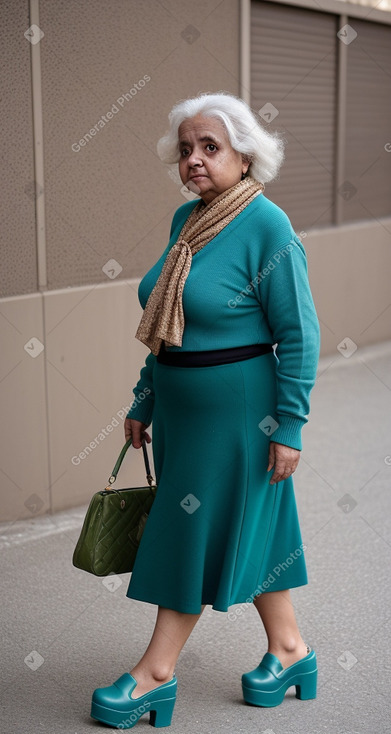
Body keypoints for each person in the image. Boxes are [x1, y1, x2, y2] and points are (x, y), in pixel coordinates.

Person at [91, 91, 321, 729]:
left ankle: (155, 676)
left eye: (210, 147)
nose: (194, 159)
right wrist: (145, 398)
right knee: (252, 528)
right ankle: (291, 651)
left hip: (242, 418)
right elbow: (167, 323)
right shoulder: (186, 221)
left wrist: (291, 426)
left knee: (188, 530)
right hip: (182, 415)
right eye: (186, 149)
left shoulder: (269, 227)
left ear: (244, 156)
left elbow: (300, 334)